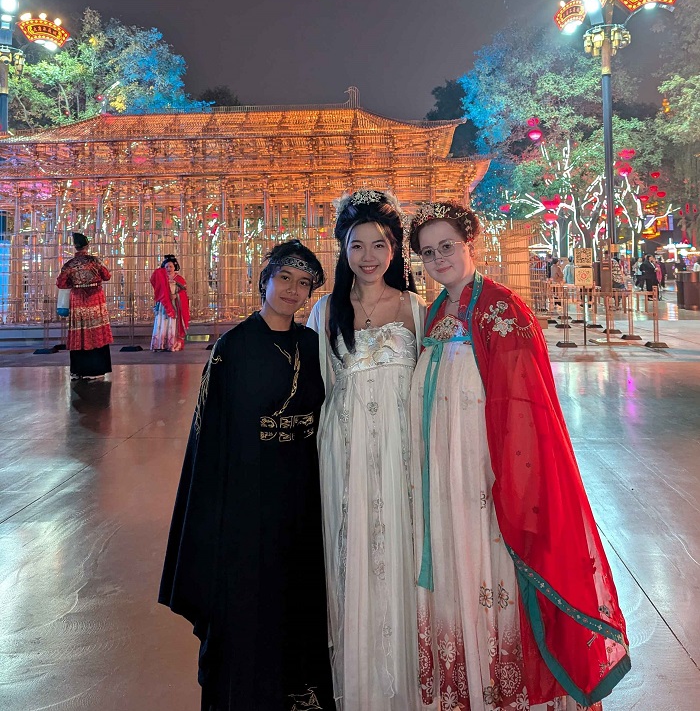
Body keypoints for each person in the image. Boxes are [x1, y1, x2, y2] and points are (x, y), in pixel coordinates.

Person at [408, 201, 630, 711]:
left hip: (492, 483)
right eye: (428, 252)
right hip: (446, 481)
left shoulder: (505, 309)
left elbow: (528, 408)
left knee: (498, 578)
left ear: (471, 245)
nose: (439, 258)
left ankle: (511, 694)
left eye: (447, 247)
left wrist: (513, 489)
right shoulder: (437, 311)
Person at [159, 239, 334, 711]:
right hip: (249, 490)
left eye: (304, 284)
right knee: (251, 593)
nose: (293, 291)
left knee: (297, 589)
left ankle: (299, 691)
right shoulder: (232, 348)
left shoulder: (313, 344)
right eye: (285, 279)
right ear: (265, 280)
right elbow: (211, 434)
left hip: (302, 488)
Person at [307, 189, 425, 711]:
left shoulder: (416, 310)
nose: (370, 257)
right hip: (345, 452)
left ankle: (407, 684)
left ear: (396, 249)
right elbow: (315, 388)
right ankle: (357, 688)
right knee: (351, 553)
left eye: (381, 244)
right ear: (343, 250)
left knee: (401, 549)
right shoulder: (324, 311)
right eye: (358, 245)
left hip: (401, 455)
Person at [56, 232, 113, 380]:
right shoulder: (94, 261)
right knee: (96, 331)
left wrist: (75, 283)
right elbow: (107, 276)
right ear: (87, 246)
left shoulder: (69, 265)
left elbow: (61, 283)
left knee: (80, 332)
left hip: (78, 299)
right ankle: (98, 369)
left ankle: (78, 370)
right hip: (95, 298)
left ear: (75, 246)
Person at [150, 255, 190, 351]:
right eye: (166, 266)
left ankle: (171, 344)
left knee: (172, 323)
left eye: (171, 266)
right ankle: (160, 344)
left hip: (174, 305)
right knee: (161, 322)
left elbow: (184, 292)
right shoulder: (161, 278)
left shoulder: (178, 279)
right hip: (163, 305)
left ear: (175, 267)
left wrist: (176, 296)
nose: (168, 268)